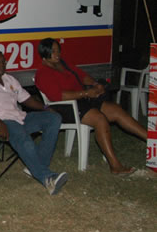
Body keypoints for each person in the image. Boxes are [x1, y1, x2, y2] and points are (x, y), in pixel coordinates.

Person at [35, 38, 147, 175]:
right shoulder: (43, 72)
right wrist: (86, 92)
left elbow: (82, 76)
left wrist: (94, 84)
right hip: (65, 107)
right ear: (44, 53)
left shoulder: (63, 64)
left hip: (83, 99)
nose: (57, 54)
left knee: (116, 110)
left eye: (58, 50)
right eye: (53, 51)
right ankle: (115, 166)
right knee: (100, 120)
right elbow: (58, 96)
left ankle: (152, 139)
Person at [0, 50, 67, 195]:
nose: (1, 64)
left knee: (53, 119)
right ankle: (47, 178)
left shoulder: (10, 80)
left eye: (3, 61)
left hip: (19, 117)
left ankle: (36, 167)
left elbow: (26, 99)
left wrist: (45, 108)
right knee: (24, 140)